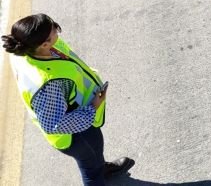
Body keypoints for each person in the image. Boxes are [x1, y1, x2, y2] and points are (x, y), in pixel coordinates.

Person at [2, 14, 134, 185]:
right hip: (74, 133)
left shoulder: (25, 50)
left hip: (76, 121)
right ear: (44, 44)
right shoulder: (50, 84)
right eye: (54, 29)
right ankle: (98, 174)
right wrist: (93, 108)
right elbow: (53, 124)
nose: (58, 30)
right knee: (90, 168)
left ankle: (101, 168)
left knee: (94, 154)